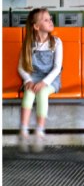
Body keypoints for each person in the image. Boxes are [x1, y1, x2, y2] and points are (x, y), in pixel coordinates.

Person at [17, 8, 62, 153]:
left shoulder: (56, 42)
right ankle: (23, 132)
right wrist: (28, 80)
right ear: (36, 26)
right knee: (29, 93)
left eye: (50, 18)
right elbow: (21, 67)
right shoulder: (29, 44)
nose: (50, 21)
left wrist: (44, 83)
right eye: (46, 19)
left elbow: (56, 68)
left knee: (42, 92)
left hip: (51, 80)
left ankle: (39, 132)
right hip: (34, 77)